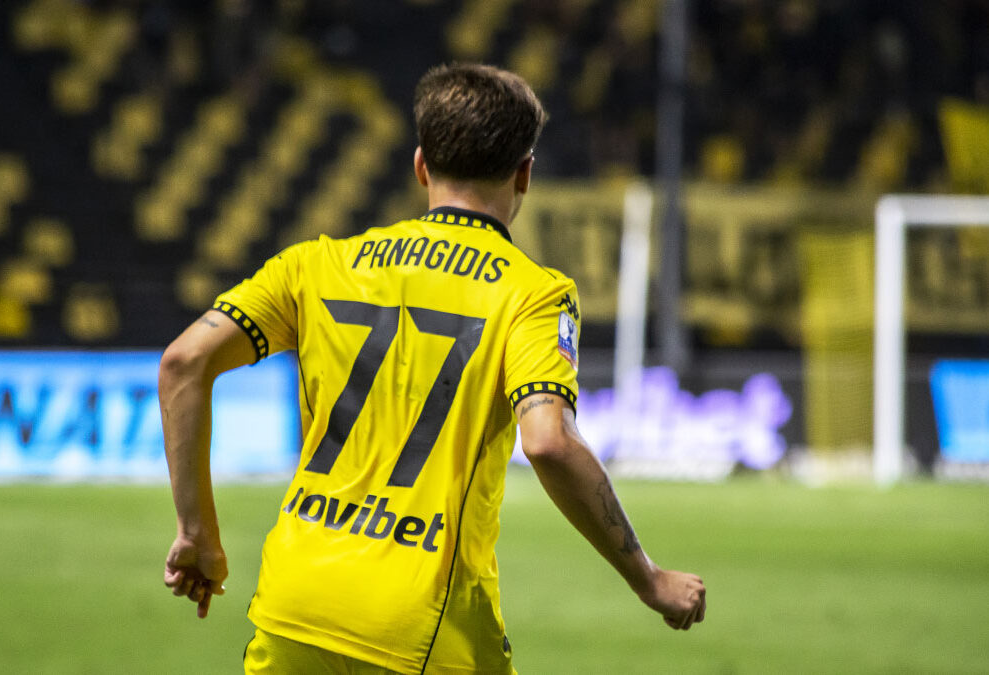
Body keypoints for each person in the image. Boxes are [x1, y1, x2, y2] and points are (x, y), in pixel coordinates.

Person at [160, 63, 706, 674]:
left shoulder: (317, 264)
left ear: (421, 164)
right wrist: (647, 578)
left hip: (293, 606)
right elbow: (548, 441)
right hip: (421, 626)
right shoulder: (533, 294)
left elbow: (184, 362)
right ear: (524, 173)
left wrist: (197, 533)